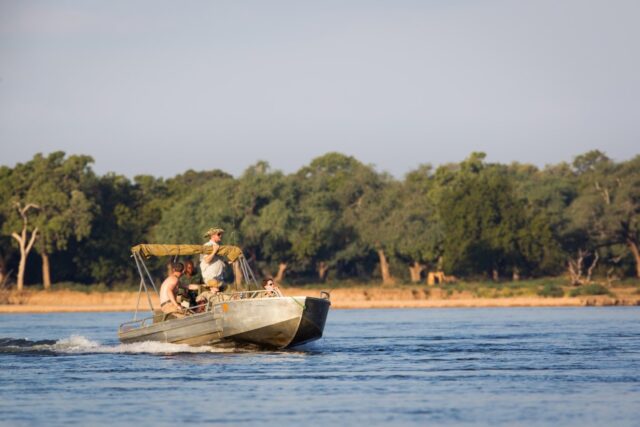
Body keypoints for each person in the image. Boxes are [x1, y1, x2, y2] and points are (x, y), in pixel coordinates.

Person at [197, 227, 227, 304]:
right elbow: (206, 260)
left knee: (222, 299)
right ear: (213, 236)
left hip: (218, 280)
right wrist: (214, 251)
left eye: (221, 234)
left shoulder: (217, 246)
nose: (221, 236)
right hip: (211, 279)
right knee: (216, 299)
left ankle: (225, 310)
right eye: (219, 234)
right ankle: (217, 309)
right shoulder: (208, 245)